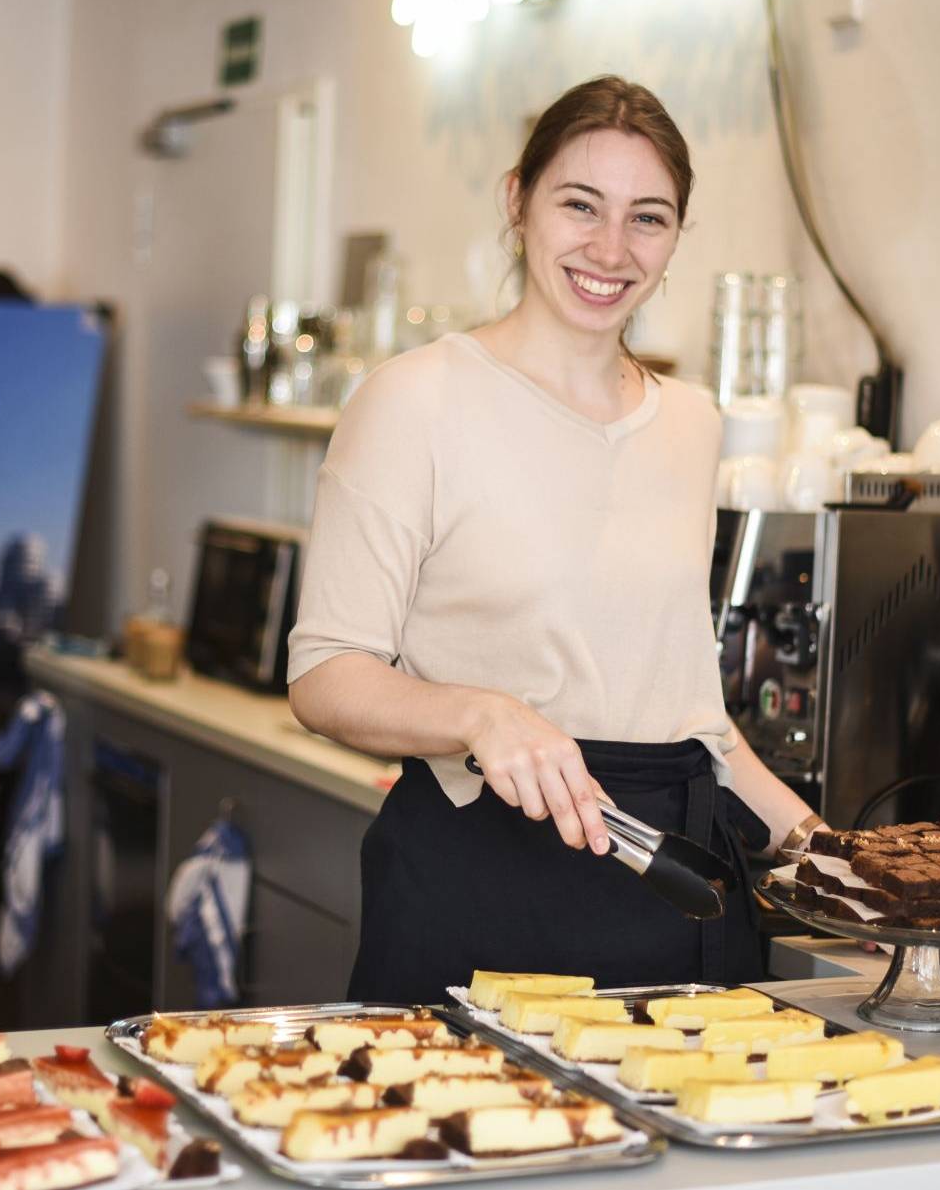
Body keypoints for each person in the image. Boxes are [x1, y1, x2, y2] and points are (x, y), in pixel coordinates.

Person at [287, 75, 826, 1005]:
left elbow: (687, 710)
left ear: (677, 238)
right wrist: (481, 714)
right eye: (581, 204)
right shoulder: (414, 400)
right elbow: (326, 674)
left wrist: (825, 849)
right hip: (479, 882)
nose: (611, 249)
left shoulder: (691, 423)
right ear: (518, 201)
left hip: (672, 890)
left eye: (648, 218)